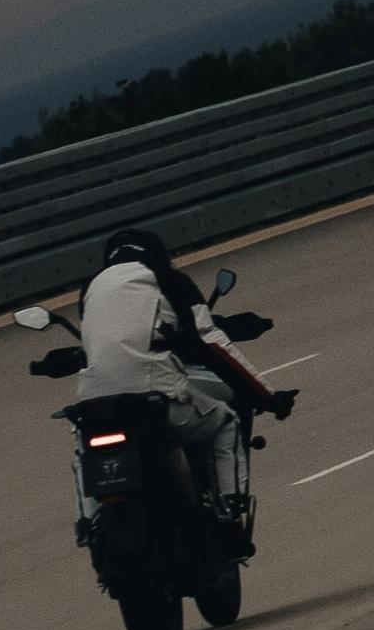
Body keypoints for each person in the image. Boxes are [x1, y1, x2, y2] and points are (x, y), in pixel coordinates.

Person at [74, 227, 296, 552]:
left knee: (83, 450)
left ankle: (88, 524)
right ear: (158, 254)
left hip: (94, 401)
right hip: (156, 398)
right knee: (226, 421)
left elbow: (103, 339)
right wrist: (268, 397)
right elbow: (209, 340)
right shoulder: (168, 279)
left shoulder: (90, 287)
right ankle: (229, 515)